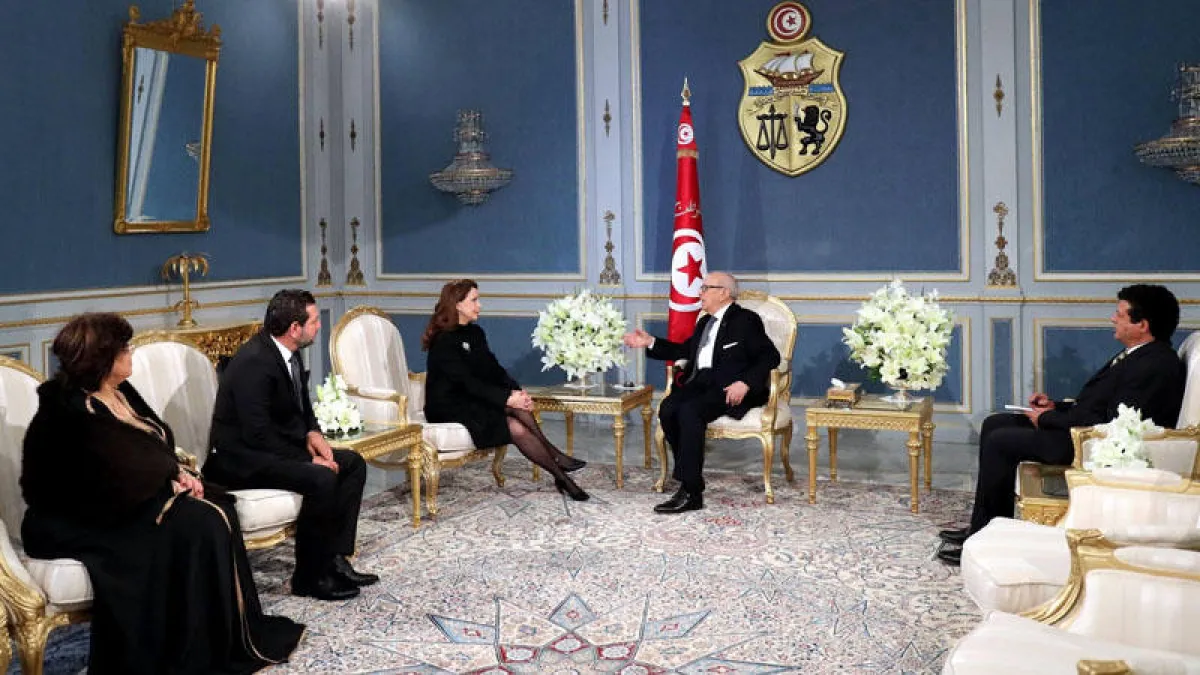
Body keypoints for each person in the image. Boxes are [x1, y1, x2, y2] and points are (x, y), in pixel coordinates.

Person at [20, 313, 304, 674]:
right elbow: (95, 475)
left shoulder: (120, 391)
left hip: (134, 496)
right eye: (124, 348)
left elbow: (154, 445)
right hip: (84, 515)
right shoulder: (66, 409)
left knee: (219, 505)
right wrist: (165, 480)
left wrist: (178, 472)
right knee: (202, 522)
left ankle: (229, 637)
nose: (130, 352)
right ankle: (190, 650)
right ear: (102, 358)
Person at [937, 284, 1186, 565]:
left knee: (1000, 441)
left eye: (1119, 314)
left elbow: (1111, 421)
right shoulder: (1139, 354)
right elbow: (1098, 404)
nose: (1112, 319)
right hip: (1080, 428)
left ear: (1142, 324)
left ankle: (985, 544)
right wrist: (1055, 406)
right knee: (995, 423)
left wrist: (1047, 419)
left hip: (1087, 443)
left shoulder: (1154, 365)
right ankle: (982, 528)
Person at [205, 289, 378, 600]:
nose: (320, 326)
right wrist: (307, 459)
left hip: (273, 447)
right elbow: (257, 434)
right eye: (314, 321)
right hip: (242, 460)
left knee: (352, 464)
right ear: (294, 328)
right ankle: (309, 578)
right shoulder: (254, 362)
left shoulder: (289, 350)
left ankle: (335, 559)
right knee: (322, 477)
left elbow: (302, 404)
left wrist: (313, 432)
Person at [623, 272, 780, 514]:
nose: (700, 293)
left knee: (689, 411)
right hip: (700, 382)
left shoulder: (746, 320)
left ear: (724, 293)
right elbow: (684, 350)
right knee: (668, 408)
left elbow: (770, 356)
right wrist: (650, 342)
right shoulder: (705, 322)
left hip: (728, 387)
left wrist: (745, 383)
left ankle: (691, 491)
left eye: (706, 288)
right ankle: (690, 477)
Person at [422, 279, 590, 501]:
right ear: (457, 304)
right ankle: (559, 467)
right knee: (514, 422)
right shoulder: (443, 340)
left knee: (518, 414)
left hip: (471, 398)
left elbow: (494, 369)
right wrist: (507, 399)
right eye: (474, 300)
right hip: (449, 406)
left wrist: (518, 393)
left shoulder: (475, 333)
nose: (479, 305)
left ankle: (560, 473)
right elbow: (467, 383)